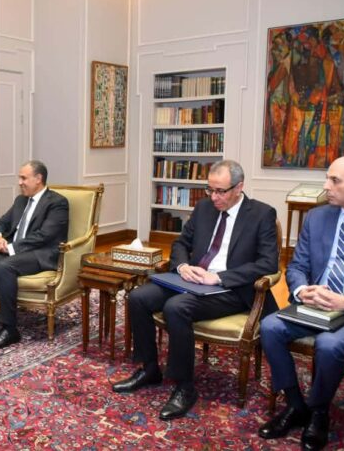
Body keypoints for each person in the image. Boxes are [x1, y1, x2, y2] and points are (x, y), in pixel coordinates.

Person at [112, 160, 279, 420]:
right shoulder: (204, 208)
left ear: (239, 187)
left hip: (230, 289)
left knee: (176, 307)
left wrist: (219, 277)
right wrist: (182, 266)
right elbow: (181, 243)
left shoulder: (262, 214)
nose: (214, 197)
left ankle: (184, 387)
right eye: (210, 189)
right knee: (138, 297)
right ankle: (150, 368)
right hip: (191, 280)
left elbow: (268, 264)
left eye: (220, 191)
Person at [258, 155, 344, 451]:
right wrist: (302, 290)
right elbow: (297, 265)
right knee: (270, 326)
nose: (326, 186)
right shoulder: (317, 217)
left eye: (334, 180)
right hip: (319, 303)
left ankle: (319, 412)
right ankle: (296, 405)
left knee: (329, 345)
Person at [0, 160, 69, 350]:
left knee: (4, 266)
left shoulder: (57, 203)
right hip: (16, 250)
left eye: (24, 178)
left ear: (38, 179)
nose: (20, 182)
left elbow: (44, 236)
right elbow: (1, 222)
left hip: (40, 253)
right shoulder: (21, 200)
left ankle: (9, 329)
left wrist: (10, 248)